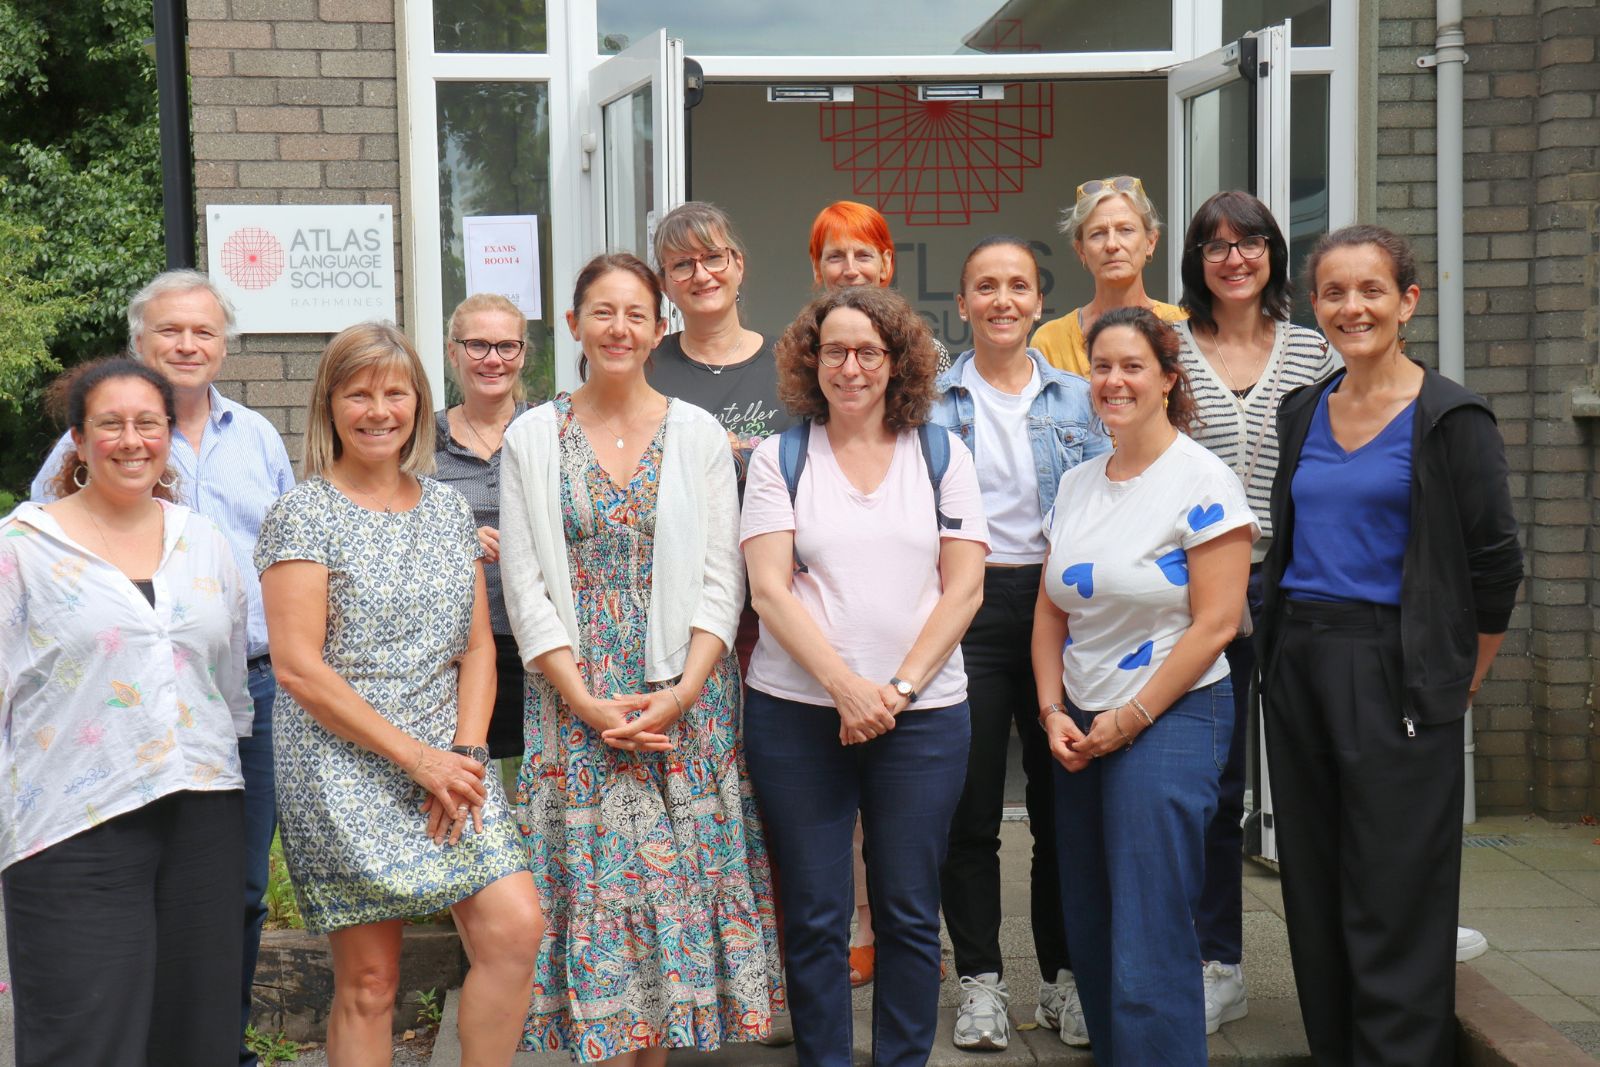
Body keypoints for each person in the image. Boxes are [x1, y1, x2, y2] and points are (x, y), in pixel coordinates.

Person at [499, 253, 781, 1065]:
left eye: (635, 313)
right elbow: (524, 585)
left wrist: (684, 690)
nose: (619, 328)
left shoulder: (696, 434)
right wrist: (584, 701)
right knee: (602, 904)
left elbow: (723, 579)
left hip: (682, 706)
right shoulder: (532, 436)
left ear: (659, 326)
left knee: (670, 904)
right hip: (572, 702)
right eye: (602, 311)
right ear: (575, 323)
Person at [1257, 225, 1522, 1067]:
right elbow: (1286, 541)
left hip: (1397, 666)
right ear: (1315, 307)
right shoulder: (1304, 409)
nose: (1351, 307)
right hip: (1301, 657)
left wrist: (1460, 678)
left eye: (1370, 289)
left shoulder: (1452, 418)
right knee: (1315, 877)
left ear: (1407, 301)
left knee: (1395, 886)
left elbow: (1496, 565)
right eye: (1334, 292)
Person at [27, 269, 293, 1067]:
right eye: (169, 331)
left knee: (231, 893)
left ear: (224, 344)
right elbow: (47, 567)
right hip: (118, 704)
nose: (187, 344)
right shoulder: (102, 433)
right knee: (120, 892)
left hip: (246, 688)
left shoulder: (259, 438)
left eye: (203, 332)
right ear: (139, 341)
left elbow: (284, 555)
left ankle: (219, 1045)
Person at [256, 323, 541, 1067]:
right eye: (359, 393)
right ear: (330, 404)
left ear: (418, 402)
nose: (378, 409)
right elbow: (297, 669)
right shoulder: (305, 513)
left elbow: (477, 647)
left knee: (516, 928)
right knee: (371, 980)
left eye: (395, 391)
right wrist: (419, 761)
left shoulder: (448, 508)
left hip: (450, 761)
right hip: (343, 764)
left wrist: (467, 756)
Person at [741, 284, 989, 1066]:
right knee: (814, 914)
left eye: (869, 351)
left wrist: (900, 690)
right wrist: (848, 688)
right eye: (835, 350)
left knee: (910, 912)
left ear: (898, 360)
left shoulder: (942, 453)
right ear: (811, 361)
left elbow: (966, 588)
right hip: (798, 714)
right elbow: (769, 591)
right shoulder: (781, 459)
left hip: (923, 717)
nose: (851, 367)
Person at [2, 358, 252, 1066]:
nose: (132, 439)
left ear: (170, 434)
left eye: (149, 423)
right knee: (86, 1035)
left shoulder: (202, 539)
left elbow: (229, 683)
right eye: (111, 424)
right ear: (78, 441)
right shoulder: (23, 547)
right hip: (72, 821)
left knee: (197, 1030)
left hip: (202, 811)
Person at [1034, 307, 1257, 1064]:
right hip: (1083, 723)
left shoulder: (1202, 479)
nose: (1114, 381)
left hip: (1172, 716)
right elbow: (1049, 607)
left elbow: (1217, 622)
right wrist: (1049, 708)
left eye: (1132, 366)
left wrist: (1130, 717)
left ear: (1168, 378)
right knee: (1091, 921)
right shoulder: (1076, 481)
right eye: (1101, 366)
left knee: (1150, 924)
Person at [930, 236, 1110, 1052]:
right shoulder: (927, 399)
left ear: (1042, 302)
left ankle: (1063, 979)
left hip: (1059, 606)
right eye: (985, 287)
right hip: (963, 607)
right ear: (962, 304)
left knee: (1062, 804)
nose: (1002, 300)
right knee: (968, 811)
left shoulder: (1080, 398)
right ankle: (981, 983)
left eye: (1019, 287)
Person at [1171, 190, 1339, 1035]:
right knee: (1215, 785)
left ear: (1274, 253)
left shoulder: (1314, 349)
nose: (1233, 258)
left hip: (1302, 581)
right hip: (1200, 589)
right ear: (1197, 261)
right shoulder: (1168, 349)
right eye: (1215, 245)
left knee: (1332, 761)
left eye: (1250, 243)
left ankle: (1374, 926)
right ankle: (1218, 961)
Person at [647, 201, 798, 671]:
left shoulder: (794, 363)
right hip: (679, 599)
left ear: (738, 265)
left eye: (713, 257)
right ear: (665, 283)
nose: (701, 274)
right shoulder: (646, 368)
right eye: (682, 264)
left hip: (782, 595)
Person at [434, 293, 533, 764]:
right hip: (456, 650)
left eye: (506, 346)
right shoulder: (420, 441)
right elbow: (390, 525)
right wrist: (452, 538)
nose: (493, 359)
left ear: (522, 353)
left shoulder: (550, 432)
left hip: (540, 642)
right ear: (453, 352)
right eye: (477, 345)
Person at [1031, 176, 1187, 378]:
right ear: (1081, 250)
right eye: (1098, 234)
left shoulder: (1184, 327)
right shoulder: (1050, 341)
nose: (1112, 244)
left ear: (1151, 241)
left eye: (1126, 230)